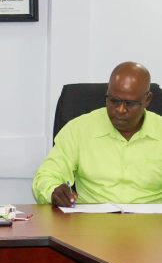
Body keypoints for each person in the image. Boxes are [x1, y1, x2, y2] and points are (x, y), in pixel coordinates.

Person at [33, 62, 162, 207]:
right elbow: (46, 176)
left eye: (129, 103)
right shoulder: (79, 130)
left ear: (147, 100)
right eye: (114, 101)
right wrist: (53, 191)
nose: (120, 109)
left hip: (151, 226)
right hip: (92, 224)